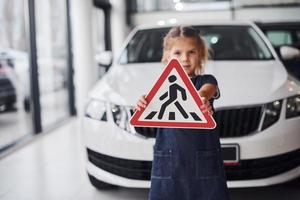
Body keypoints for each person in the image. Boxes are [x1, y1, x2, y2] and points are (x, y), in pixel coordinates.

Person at [134, 26, 230, 200]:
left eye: (191, 52)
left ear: (200, 54)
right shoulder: (163, 87)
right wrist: (143, 104)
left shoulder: (206, 80)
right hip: (169, 160)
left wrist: (201, 98)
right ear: (167, 56)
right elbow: (149, 109)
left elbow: (208, 90)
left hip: (202, 159)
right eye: (178, 53)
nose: (185, 59)